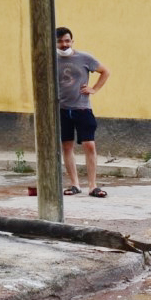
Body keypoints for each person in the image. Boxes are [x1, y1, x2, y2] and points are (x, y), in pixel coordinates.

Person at [55, 27, 110, 198]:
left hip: (82, 108)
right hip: (62, 110)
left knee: (89, 145)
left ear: (72, 41)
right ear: (54, 42)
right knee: (66, 146)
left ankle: (93, 186)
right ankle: (74, 184)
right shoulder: (51, 59)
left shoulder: (84, 58)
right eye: (60, 41)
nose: (64, 44)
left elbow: (105, 71)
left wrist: (94, 88)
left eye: (67, 40)